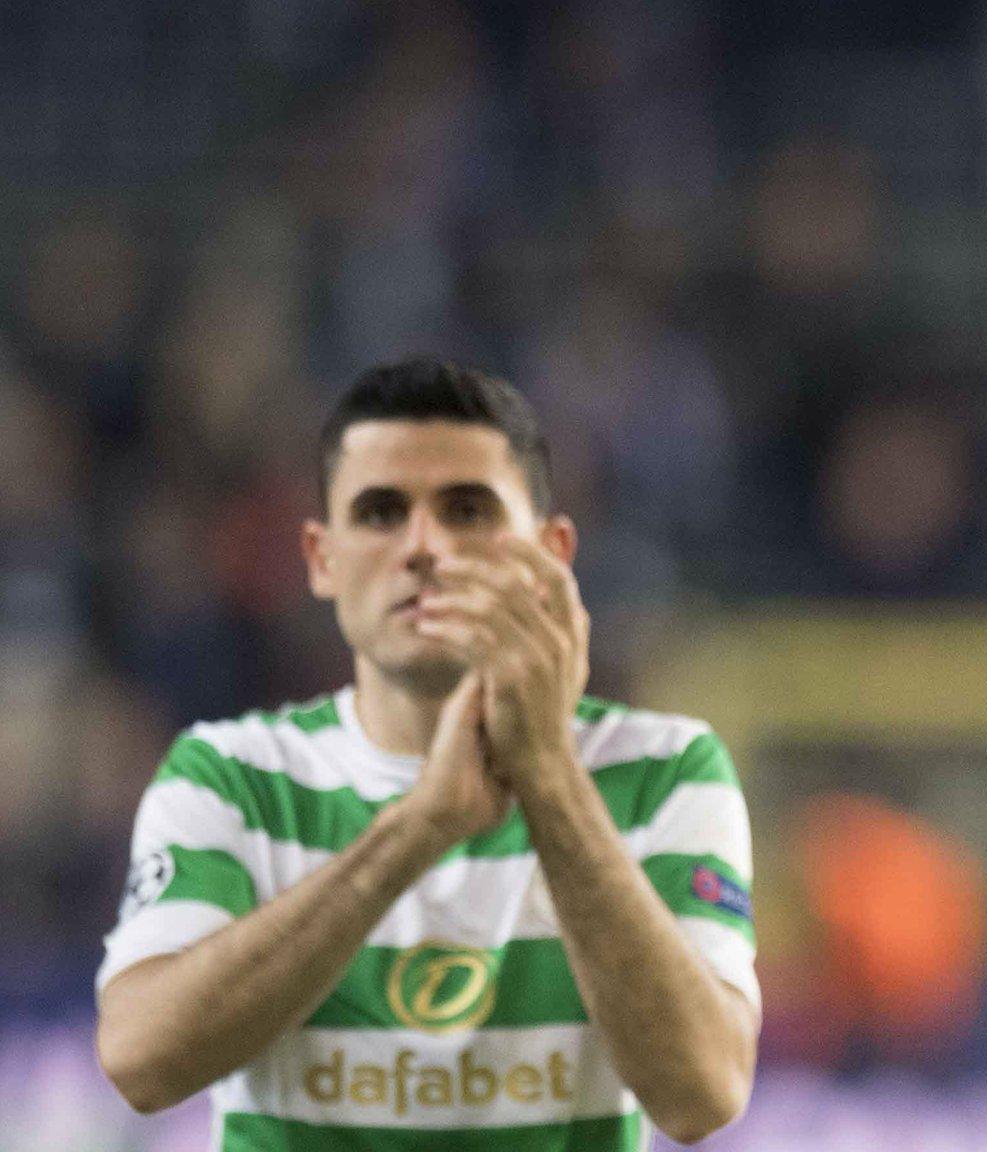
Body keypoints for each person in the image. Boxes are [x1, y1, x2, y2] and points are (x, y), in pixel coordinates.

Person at [95, 360, 759, 1148]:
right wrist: (422, 826)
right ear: (321, 559)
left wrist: (547, 775)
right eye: (380, 513)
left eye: (468, 510)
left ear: (552, 551)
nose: (423, 547)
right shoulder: (235, 778)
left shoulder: (663, 770)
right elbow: (141, 1062)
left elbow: (703, 1094)